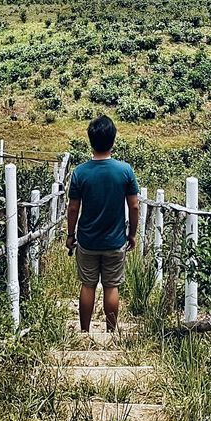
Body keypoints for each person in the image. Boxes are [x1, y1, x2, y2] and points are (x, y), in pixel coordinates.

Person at [65, 115, 140, 332]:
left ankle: (85, 332)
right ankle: (110, 332)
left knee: (87, 285)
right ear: (113, 140)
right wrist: (132, 234)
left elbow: (73, 208)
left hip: (88, 241)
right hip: (115, 241)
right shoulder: (125, 171)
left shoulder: (80, 172)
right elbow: (134, 206)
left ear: (90, 140)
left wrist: (71, 235)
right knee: (111, 286)